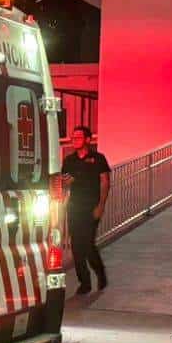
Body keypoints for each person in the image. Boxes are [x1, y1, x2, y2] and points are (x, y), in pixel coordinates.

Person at [62, 125, 111, 294]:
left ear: (88, 140)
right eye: (73, 137)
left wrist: (101, 206)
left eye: (78, 137)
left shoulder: (98, 158)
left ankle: (101, 274)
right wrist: (65, 183)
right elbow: (63, 181)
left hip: (92, 207)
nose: (74, 140)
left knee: (88, 244)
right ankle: (85, 283)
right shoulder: (69, 160)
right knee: (76, 246)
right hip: (74, 207)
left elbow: (105, 182)